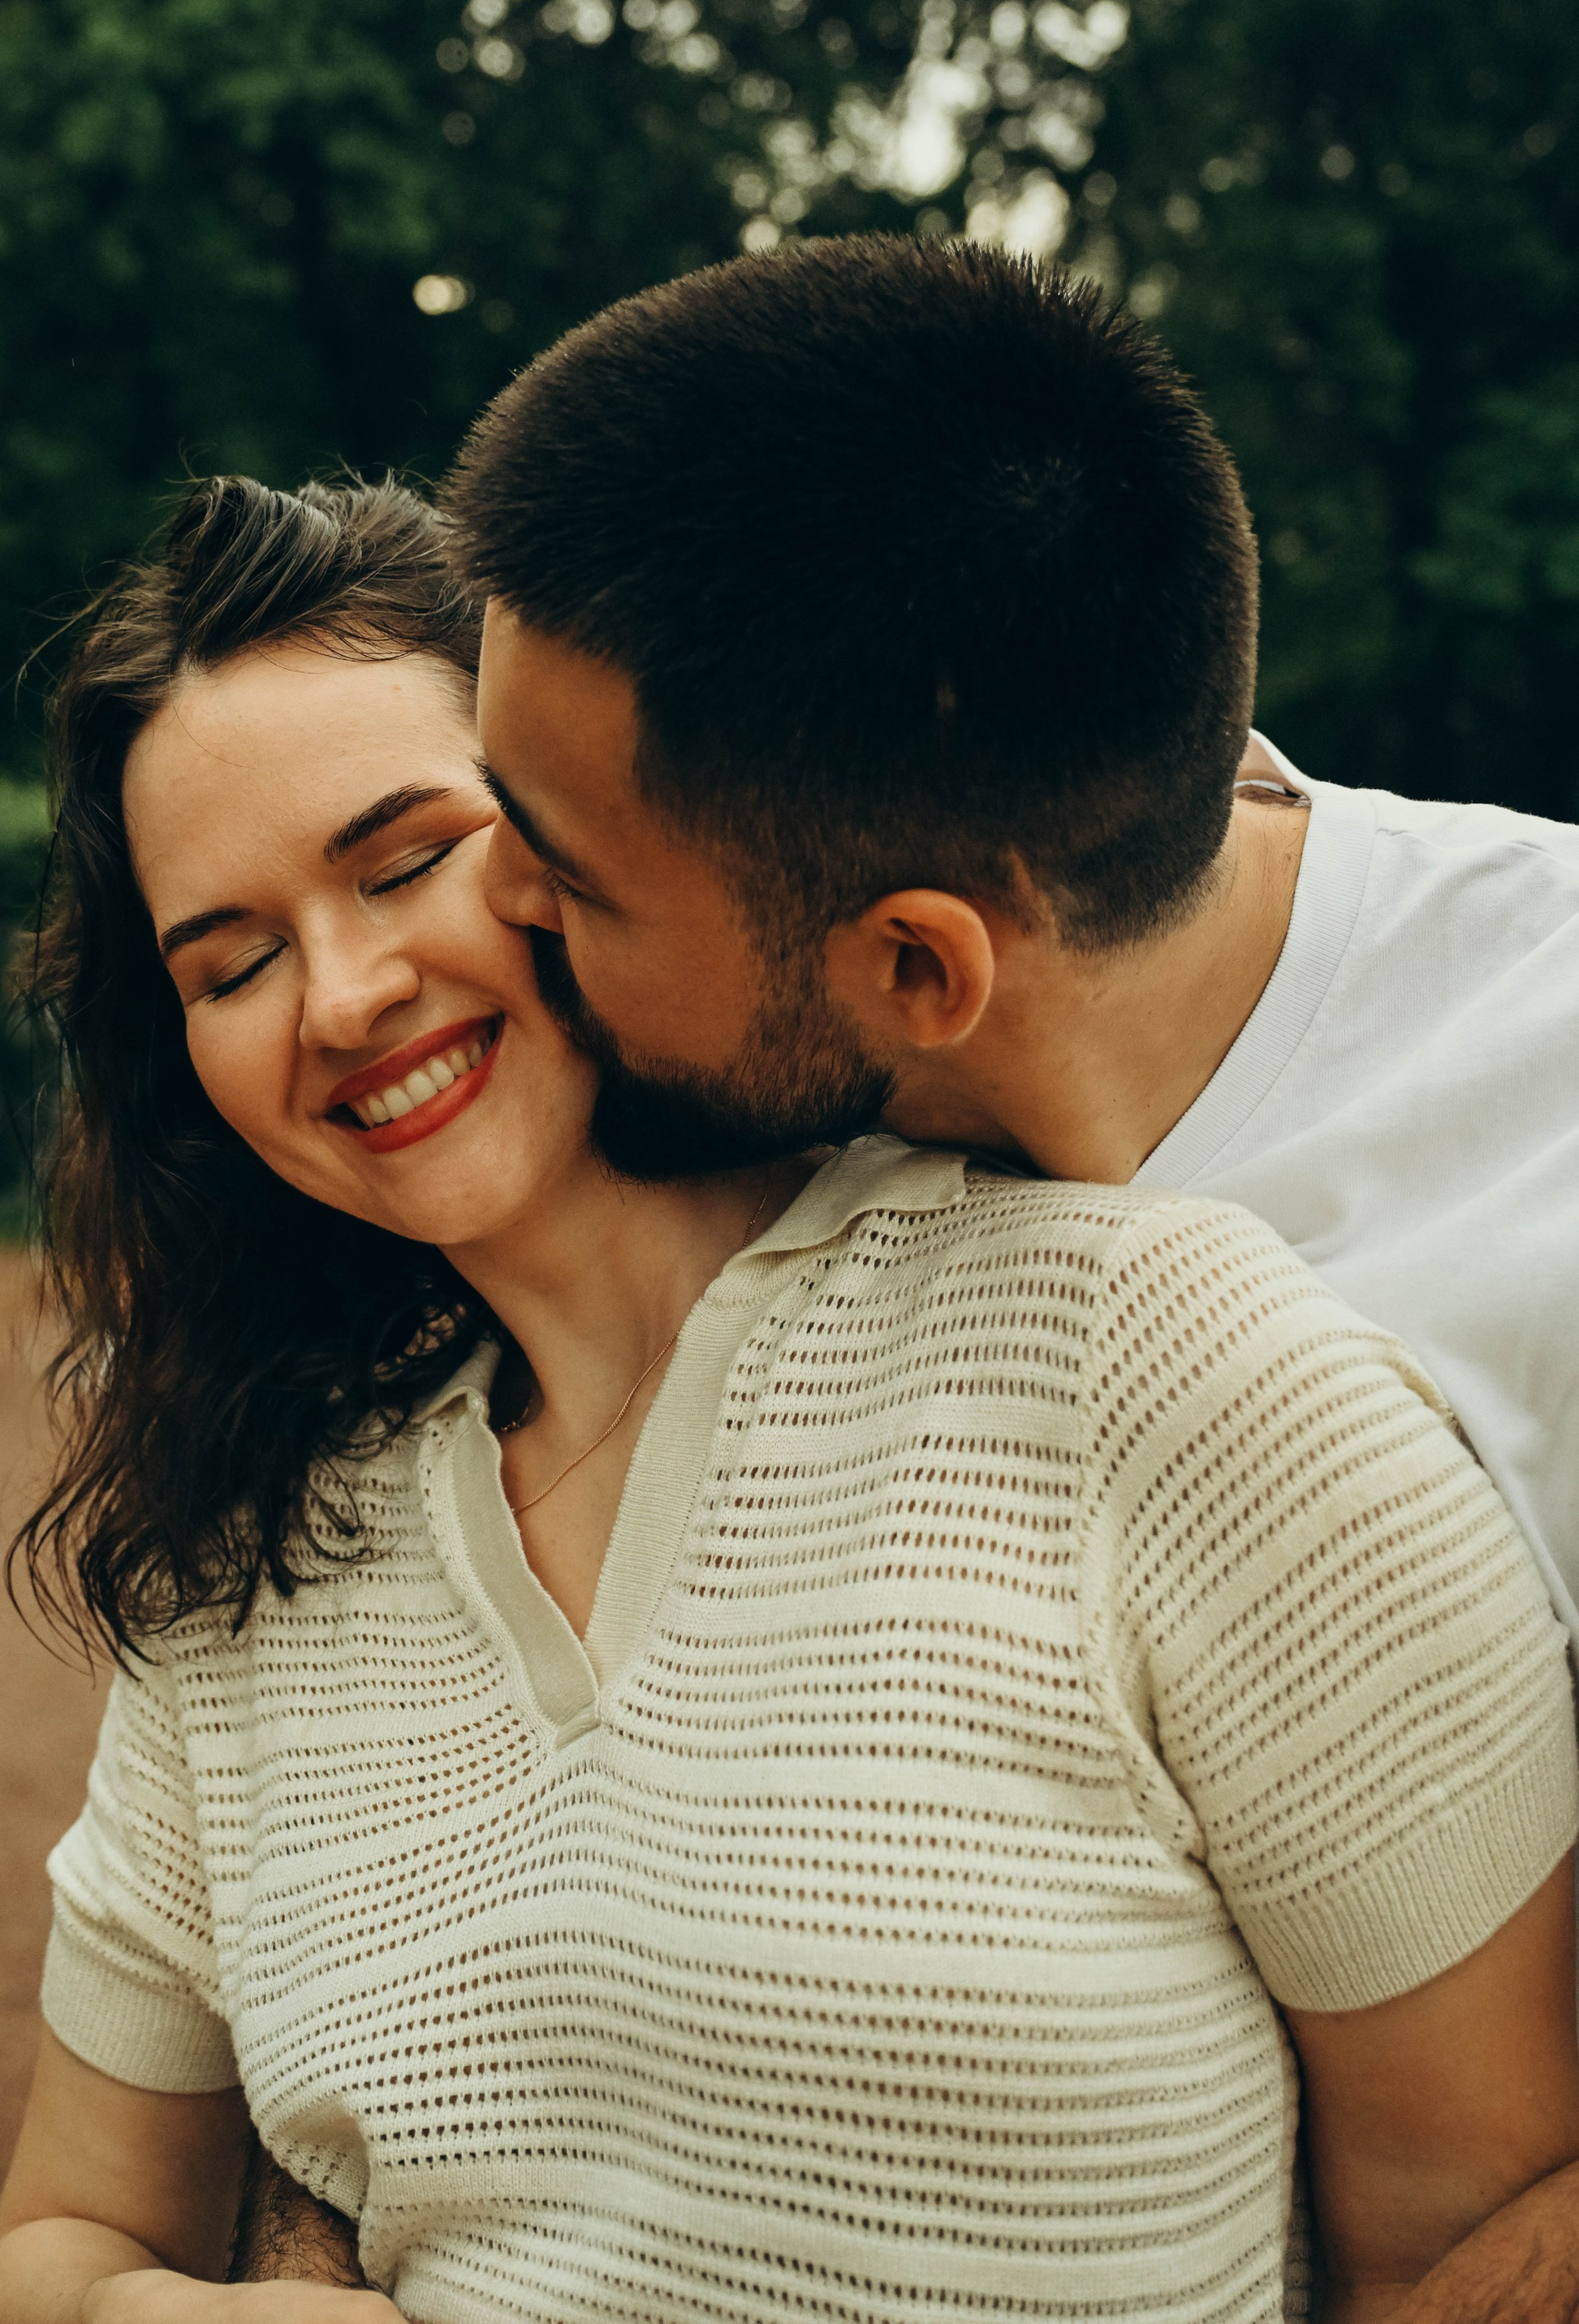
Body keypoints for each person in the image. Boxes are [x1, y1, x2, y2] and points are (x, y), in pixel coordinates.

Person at [0, 467, 1579, 2324]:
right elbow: (55, 2243)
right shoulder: (241, 1560)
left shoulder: (1157, 1355)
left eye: (403, 861)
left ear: (597, 831)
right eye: (231, 963)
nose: (336, 997)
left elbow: (1463, 2234)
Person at [434, 229, 1579, 2318]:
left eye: (566, 867)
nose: (488, 893)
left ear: (915, 969)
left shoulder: (1547, 1150)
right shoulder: (798, 1005)